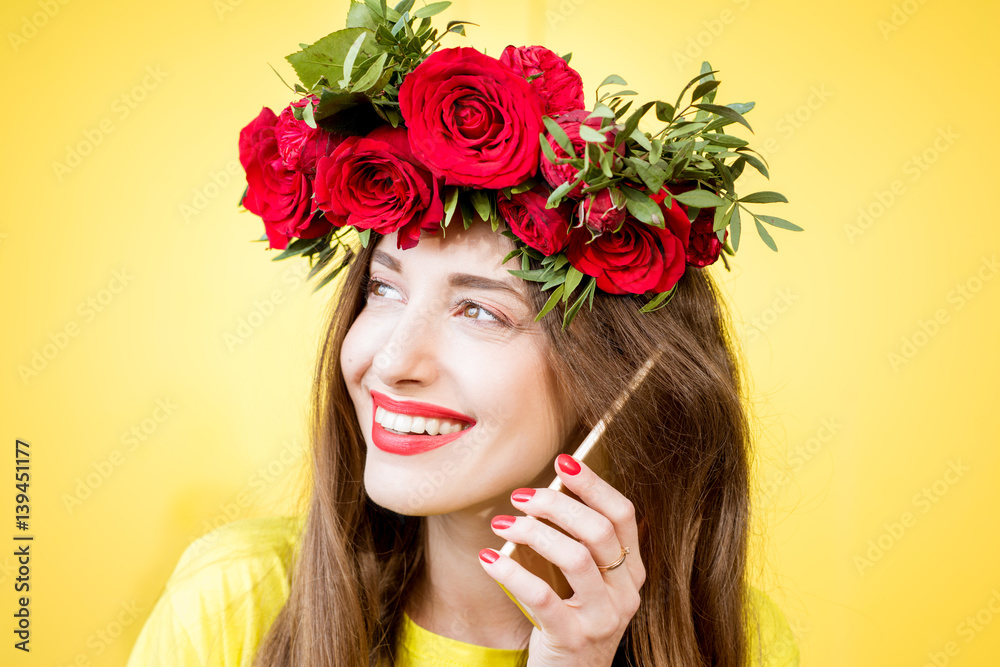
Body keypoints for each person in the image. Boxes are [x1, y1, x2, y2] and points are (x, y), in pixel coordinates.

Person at [126, 3, 802, 665]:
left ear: (617, 379)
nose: (390, 361)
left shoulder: (740, 638)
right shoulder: (233, 600)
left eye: (482, 311)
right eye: (383, 288)